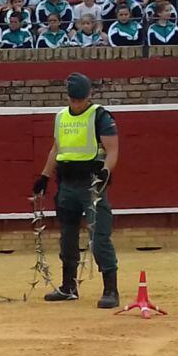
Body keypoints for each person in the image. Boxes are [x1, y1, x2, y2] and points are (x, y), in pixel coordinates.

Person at [31, 73, 121, 308]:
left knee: (99, 236)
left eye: (80, 99)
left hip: (91, 185)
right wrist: (44, 176)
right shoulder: (61, 117)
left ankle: (111, 289)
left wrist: (105, 173)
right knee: (67, 237)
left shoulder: (100, 116)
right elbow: (56, 150)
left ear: (88, 96)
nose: (77, 103)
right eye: (73, 99)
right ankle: (68, 286)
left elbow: (112, 150)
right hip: (67, 185)